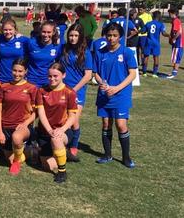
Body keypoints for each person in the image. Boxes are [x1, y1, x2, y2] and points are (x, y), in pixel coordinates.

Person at [93, 23, 137, 168]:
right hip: (105, 94)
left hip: (121, 94)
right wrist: (102, 83)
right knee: (106, 123)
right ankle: (107, 154)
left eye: (115, 36)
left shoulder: (126, 53)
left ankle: (126, 157)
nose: (111, 38)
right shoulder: (100, 52)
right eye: (109, 35)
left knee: (121, 124)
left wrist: (117, 88)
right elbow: (95, 72)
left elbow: (132, 74)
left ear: (120, 37)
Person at [35, 63, 78, 183]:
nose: (52, 79)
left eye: (55, 76)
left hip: (62, 131)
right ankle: (64, 153)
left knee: (56, 139)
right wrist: (49, 130)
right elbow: (41, 113)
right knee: (47, 166)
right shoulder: (42, 91)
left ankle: (62, 172)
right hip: (45, 132)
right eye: (49, 76)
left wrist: (62, 129)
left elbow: (72, 116)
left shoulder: (69, 92)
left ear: (63, 75)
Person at [0, 58, 37, 175]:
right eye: (15, 70)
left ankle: (17, 161)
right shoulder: (4, 87)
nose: (17, 74)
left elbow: (36, 112)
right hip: (5, 127)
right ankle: (30, 151)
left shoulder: (31, 88)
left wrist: (25, 124)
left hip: (22, 127)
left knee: (17, 138)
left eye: (20, 71)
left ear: (26, 72)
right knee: (8, 159)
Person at [58, 23, 93, 161]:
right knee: (62, 118)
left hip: (77, 91)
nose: (73, 38)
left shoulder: (86, 52)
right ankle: (63, 143)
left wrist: (74, 90)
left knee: (73, 120)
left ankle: (74, 145)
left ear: (81, 37)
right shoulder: (64, 49)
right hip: (62, 90)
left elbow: (88, 75)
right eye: (71, 35)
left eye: (76, 36)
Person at [26, 21, 62, 87]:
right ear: (40, 32)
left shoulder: (57, 46)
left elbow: (58, 62)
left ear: (53, 32)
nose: (46, 35)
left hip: (48, 81)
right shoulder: (32, 43)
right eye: (43, 32)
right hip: (31, 81)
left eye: (49, 32)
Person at [0, 19, 29, 83]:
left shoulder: (23, 40)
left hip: (18, 77)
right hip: (2, 78)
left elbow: (35, 42)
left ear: (15, 30)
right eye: (5, 30)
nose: (8, 32)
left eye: (10, 30)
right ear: (2, 30)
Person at [142, 11, 168, 77]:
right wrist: (169, 35)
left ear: (153, 16)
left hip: (148, 42)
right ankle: (154, 73)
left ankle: (144, 72)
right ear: (159, 16)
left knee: (146, 57)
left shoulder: (148, 23)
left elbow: (143, 31)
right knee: (156, 57)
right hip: (156, 43)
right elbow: (163, 33)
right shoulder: (161, 24)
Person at [168, 8, 184, 79]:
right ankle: (173, 72)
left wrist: (173, 39)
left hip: (178, 42)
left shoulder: (176, 21)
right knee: (175, 57)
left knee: (176, 58)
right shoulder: (175, 20)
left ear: (172, 14)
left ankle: (174, 73)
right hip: (177, 42)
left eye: (169, 14)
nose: (169, 15)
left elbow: (178, 32)